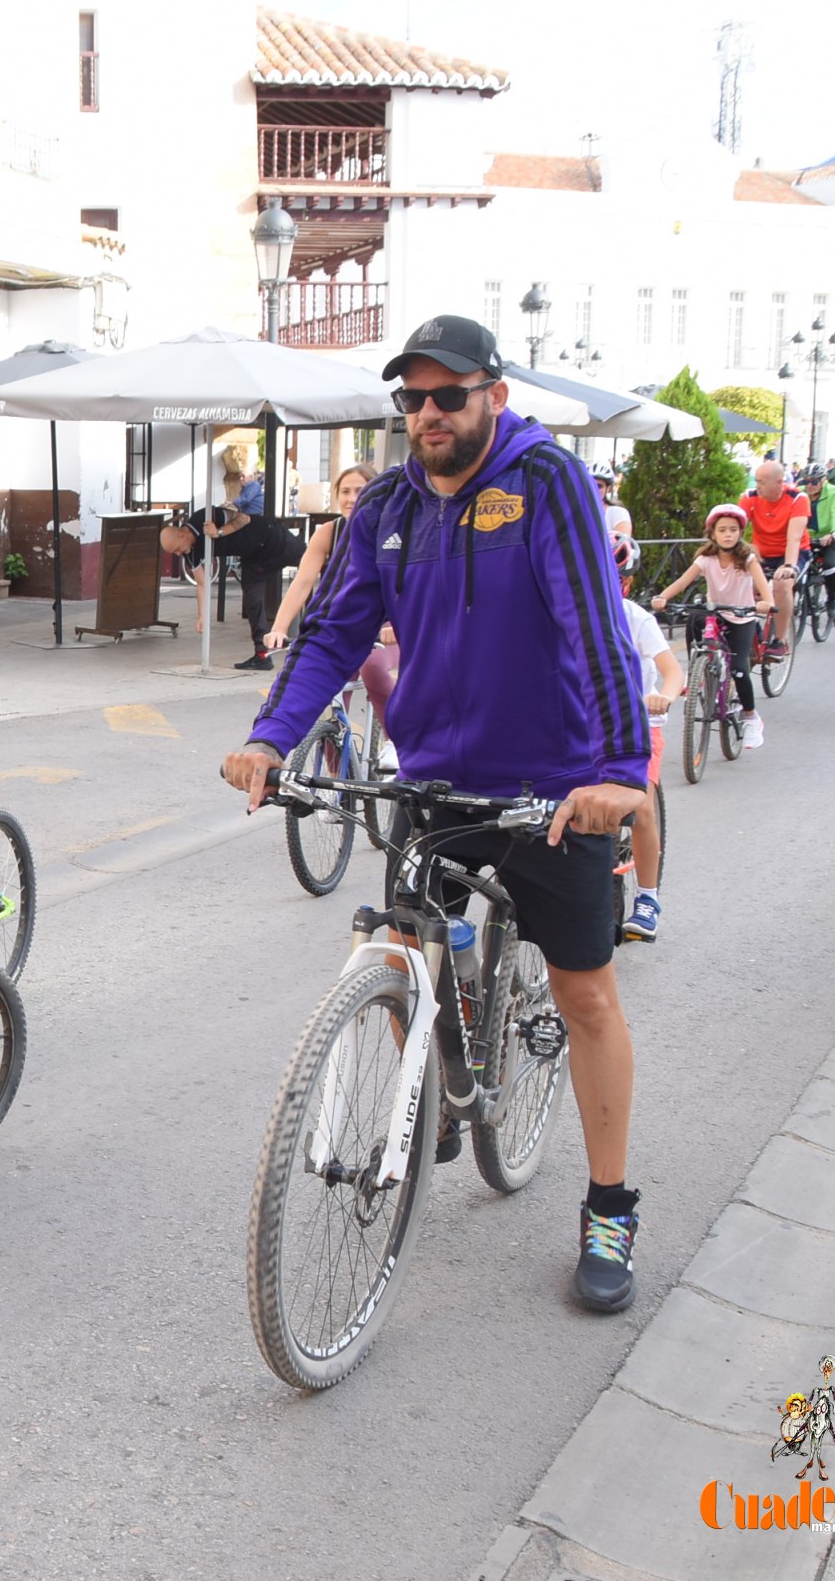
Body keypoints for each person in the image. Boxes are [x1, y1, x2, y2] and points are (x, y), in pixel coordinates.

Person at [223, 313, 651, 1315]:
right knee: (417, 950)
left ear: (492, 397)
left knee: (586, 996)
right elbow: (333, 633)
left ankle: (610, 1206)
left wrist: (621, 768)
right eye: (410, 398)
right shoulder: (385, 504)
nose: (426, 413)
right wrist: (269, 738)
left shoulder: (546, 486)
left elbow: (595, 629)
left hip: (552, 783)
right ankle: (447, 1071)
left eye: (446, 395)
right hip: (436, 774)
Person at [264, 463, 398, 719]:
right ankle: (334, 752)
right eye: (345, 491)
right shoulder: (329, 532)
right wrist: (279, 628)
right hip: (344, 627)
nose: (351, 499)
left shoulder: (393, 530)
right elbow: (303, 582)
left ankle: (394, 742)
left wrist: (394, 624)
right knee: (324, 691)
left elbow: (409, 585)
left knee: (373, 668)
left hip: (388, 629)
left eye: (360, 490)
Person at [652, 507, 773, 748]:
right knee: (695, 618)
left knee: (739, 669)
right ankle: (696, 669)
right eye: (722, 530)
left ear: (740, 532)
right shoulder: (705, 559)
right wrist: (662, 597)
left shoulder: (747, 559)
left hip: (741, 617)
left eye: (733, 530)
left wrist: (766, 603)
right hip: (716, 613)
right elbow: (683, 581)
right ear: (712, 534)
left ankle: (750, 717)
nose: (728, 535)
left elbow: (764, 588)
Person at [617, 545, 684, 943]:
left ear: (626, 583)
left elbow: (670, 671)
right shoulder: (566, 615)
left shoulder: (635, 617)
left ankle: (647, 898)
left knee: (641, 805)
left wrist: (665, 695)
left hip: (639, 724)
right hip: (586, 726)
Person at [161, 505, 309, 671]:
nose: (178, 554)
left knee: (316, 563)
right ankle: (262, 655)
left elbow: (244, 518)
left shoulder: (203, 517)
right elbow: (202, 583)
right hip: (254, 558)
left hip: (269, 537)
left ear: (181, 534)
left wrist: (219, 532)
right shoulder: (190, 552)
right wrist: (202, 616)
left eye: (176, 550)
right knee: (252, 601)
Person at [739, 459, 812, 655]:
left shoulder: (798, 498)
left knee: (782, 583)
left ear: (779, 482)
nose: (758, 486)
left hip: (792, 552)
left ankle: (781, 639)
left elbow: (794, 538)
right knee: (742, 582)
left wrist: (788, 566)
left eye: (762, 482)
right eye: (756, 481)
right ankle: (749, 627)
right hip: (762, 553)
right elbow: (736, 528)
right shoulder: (750, 497)